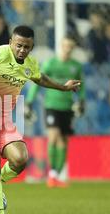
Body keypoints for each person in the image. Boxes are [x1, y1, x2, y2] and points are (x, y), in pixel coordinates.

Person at [0, 26, 80, 214]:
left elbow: (40, 78)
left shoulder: (30, 64)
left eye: (26, 47)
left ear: (31, 47)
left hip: (4, 118)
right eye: (18, 45)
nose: (21, 50)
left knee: (20, 159)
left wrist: (63, 87)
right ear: (11, 42)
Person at [26, 37, 85, 188]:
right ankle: (52, 174)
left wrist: (82, 101)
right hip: (51, 104)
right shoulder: (50, 63)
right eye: (65, 46)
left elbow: (81, 86)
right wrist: (29, 101)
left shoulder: (76, 66)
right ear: (60, 46)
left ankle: (56, 175)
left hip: (67, 106)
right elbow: (38, 80)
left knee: (64, 140)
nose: (68, 49)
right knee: (53, 136)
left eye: (71, 46)